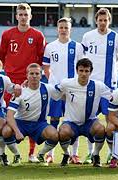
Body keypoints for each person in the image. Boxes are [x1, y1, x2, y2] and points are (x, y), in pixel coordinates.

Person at [0, 3, 46, 163]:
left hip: (30, 82)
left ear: (30, 16)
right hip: (10, 82)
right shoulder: (7, 34)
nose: (23, 17)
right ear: (16, 16)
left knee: (32, 117)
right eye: (20, 14)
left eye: (26, 14)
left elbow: (40, 61)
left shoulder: (37, 35)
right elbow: (0, 59)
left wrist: (30, 79)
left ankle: (31, 154)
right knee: (4, 116)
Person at [81, 8, 118, 164]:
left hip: (108, 86)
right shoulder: (87, 36)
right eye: (100, 20)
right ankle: (90, 153)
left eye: (106, 20)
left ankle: (112, 153)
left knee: (110, 119)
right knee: (90, 118)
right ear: (96, 20)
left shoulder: (116, 37)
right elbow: (83, 58)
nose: (103, 22)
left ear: (109, 21)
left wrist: (114, 70)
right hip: (91, 84)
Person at [42, 17, 84, 164]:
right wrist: (52, 81)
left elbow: (81, 68)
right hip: (55, 90)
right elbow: (46, 67)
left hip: (72, 91)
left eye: (66, 27)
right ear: (57, 29)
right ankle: (50, 154)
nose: (63, 30)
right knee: (53, 120)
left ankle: (74, 154)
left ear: (70, 29)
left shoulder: (77, 47)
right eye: (61, 27)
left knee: (73, 122)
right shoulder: (50, 47)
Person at [1, 63, 60, 166]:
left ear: (41, 75)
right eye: (31, 73)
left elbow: (62, 94)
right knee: (6, 131)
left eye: (37, 73)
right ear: (27, 75)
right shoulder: (20, 92)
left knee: (54, 135)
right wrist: (17, 131)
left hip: (39, 124)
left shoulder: (48, 88)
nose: (34, 76)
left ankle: (41, 155)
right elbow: (9, 115)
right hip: (21, 123)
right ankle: (16, 155)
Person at [57, 58, 111, 167]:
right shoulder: (67, 83)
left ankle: (95, 155)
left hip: (90, 122)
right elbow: (53, 91)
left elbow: (113, 95)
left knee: (100, 129)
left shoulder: (98, 85)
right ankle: (67, 154)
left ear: (91, 72)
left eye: (86, 71)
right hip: (71, 122)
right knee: (63, 132)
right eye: (81, 71)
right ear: (77, 71)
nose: (83, 74)